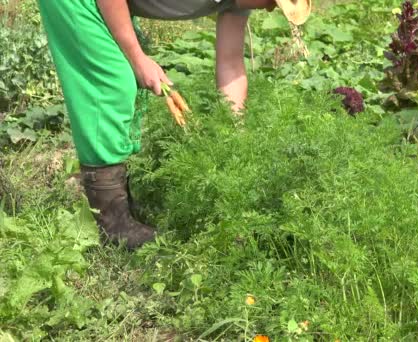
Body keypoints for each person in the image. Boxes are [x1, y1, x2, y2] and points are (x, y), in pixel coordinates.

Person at [37, 0, 311, 249]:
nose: (270, 9)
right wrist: (138, 58)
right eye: (272, 1)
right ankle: (112, 225)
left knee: (130, 84)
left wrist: (233, 131)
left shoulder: (240, 3)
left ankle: (122, 205)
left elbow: (231, 64)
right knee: (113, 84)